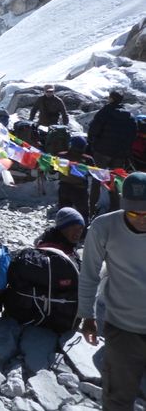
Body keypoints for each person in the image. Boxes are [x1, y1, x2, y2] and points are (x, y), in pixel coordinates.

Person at [78, 172, 146, 411]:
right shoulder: (104, 227)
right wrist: (87, 315)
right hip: (122, 328)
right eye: (134, 212)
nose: (141, 219)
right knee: (118, 399)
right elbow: (89, 274)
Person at [87, 90, 137, 216]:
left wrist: (93, 143)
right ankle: (115, 209)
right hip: (119, 154)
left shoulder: (105, 111)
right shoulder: (128, 115)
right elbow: (133, 134)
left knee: (97, 179)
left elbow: (94, 129)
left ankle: (91, 208)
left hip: (102, 151)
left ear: (112, 99)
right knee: (115, 179)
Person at [57, 135, 93, 224]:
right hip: (80, 190)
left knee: (64, 212)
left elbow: (53, 169)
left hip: (64, 188)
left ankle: (62, 230)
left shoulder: (61, 156)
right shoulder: (88, 159)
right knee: (83, 213)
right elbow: (93, 173)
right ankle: (83, 232)